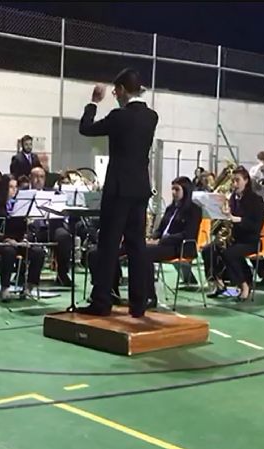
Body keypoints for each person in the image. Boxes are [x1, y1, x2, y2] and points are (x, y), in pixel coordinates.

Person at [78, 68, 159, 317]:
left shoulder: (118, 117)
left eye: (116, 91)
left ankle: (102, 301)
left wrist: (93, 102)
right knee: (137, 247)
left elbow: (86, 128)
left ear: (122, 90)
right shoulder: (151, 117)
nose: (115, 95)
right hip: (140, 189)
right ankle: (138, 303)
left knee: (109, 246)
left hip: (118, 190)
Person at [202, 166, 264, 301]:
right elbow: (229, 218)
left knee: (229, 253)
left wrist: (236, 219)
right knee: (208, 249)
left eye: (237, 180)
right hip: (235, 238)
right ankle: (218, 283)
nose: (234, 184)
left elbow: (256, 225)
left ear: (246, 181)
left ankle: (244, 285)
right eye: (233, 181)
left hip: (250, 240)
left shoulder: (256, 200)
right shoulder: (232, 198)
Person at [144, 177, 203, 307]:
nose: (173, 192)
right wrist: (153, 237)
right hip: (164, 244)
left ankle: (150, 297)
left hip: (181, 247)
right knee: (138, 249)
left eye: (177, 189)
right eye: (172, 189)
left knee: (145, 254)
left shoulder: (194, 210)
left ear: (186, 191)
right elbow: (160, 229)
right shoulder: (170, 208)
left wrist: (161, 241)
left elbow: (188, 234)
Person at [0, 175, 45, 301]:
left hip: (17, 242)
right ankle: (5, 288)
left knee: (38, 252)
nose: (14, 190)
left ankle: (29, 287)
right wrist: (6, 240)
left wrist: (25, 239)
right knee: (9, 251)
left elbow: (25, 228)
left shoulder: (21, 205)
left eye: (15, 187)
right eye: (10, 187)